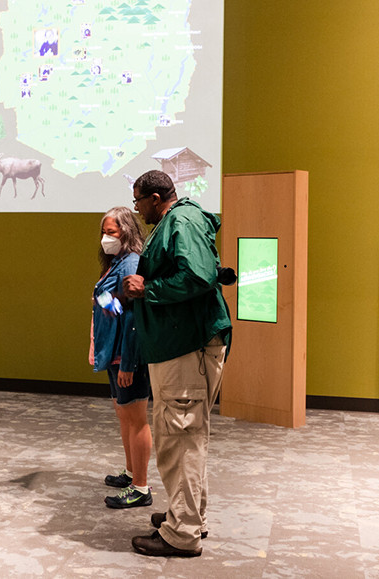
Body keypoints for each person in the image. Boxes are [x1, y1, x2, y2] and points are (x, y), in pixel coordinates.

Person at [123, 170, 232, 558]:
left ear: (155, 197)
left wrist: (146, 288)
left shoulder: (180, 221)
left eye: (138, 201)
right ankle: (188, 515)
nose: (136, 209)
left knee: (180, 437)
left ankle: (181, 533)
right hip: (181, 345)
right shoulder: (178, 221)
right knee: (188, 434)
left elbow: (198, 276)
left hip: (186, 348)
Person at [90, 207, 153, 509]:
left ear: (126, 231)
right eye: (104, 232)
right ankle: (131, 473)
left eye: (111, 232)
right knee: (124, 415)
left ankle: (141, 487)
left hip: (126, 355)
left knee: (136, 418)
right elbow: (116, 306)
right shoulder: (116, 262)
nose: (106, 238)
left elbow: (133, 316)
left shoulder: (131, 262)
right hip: (112, 351)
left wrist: (128, 362)